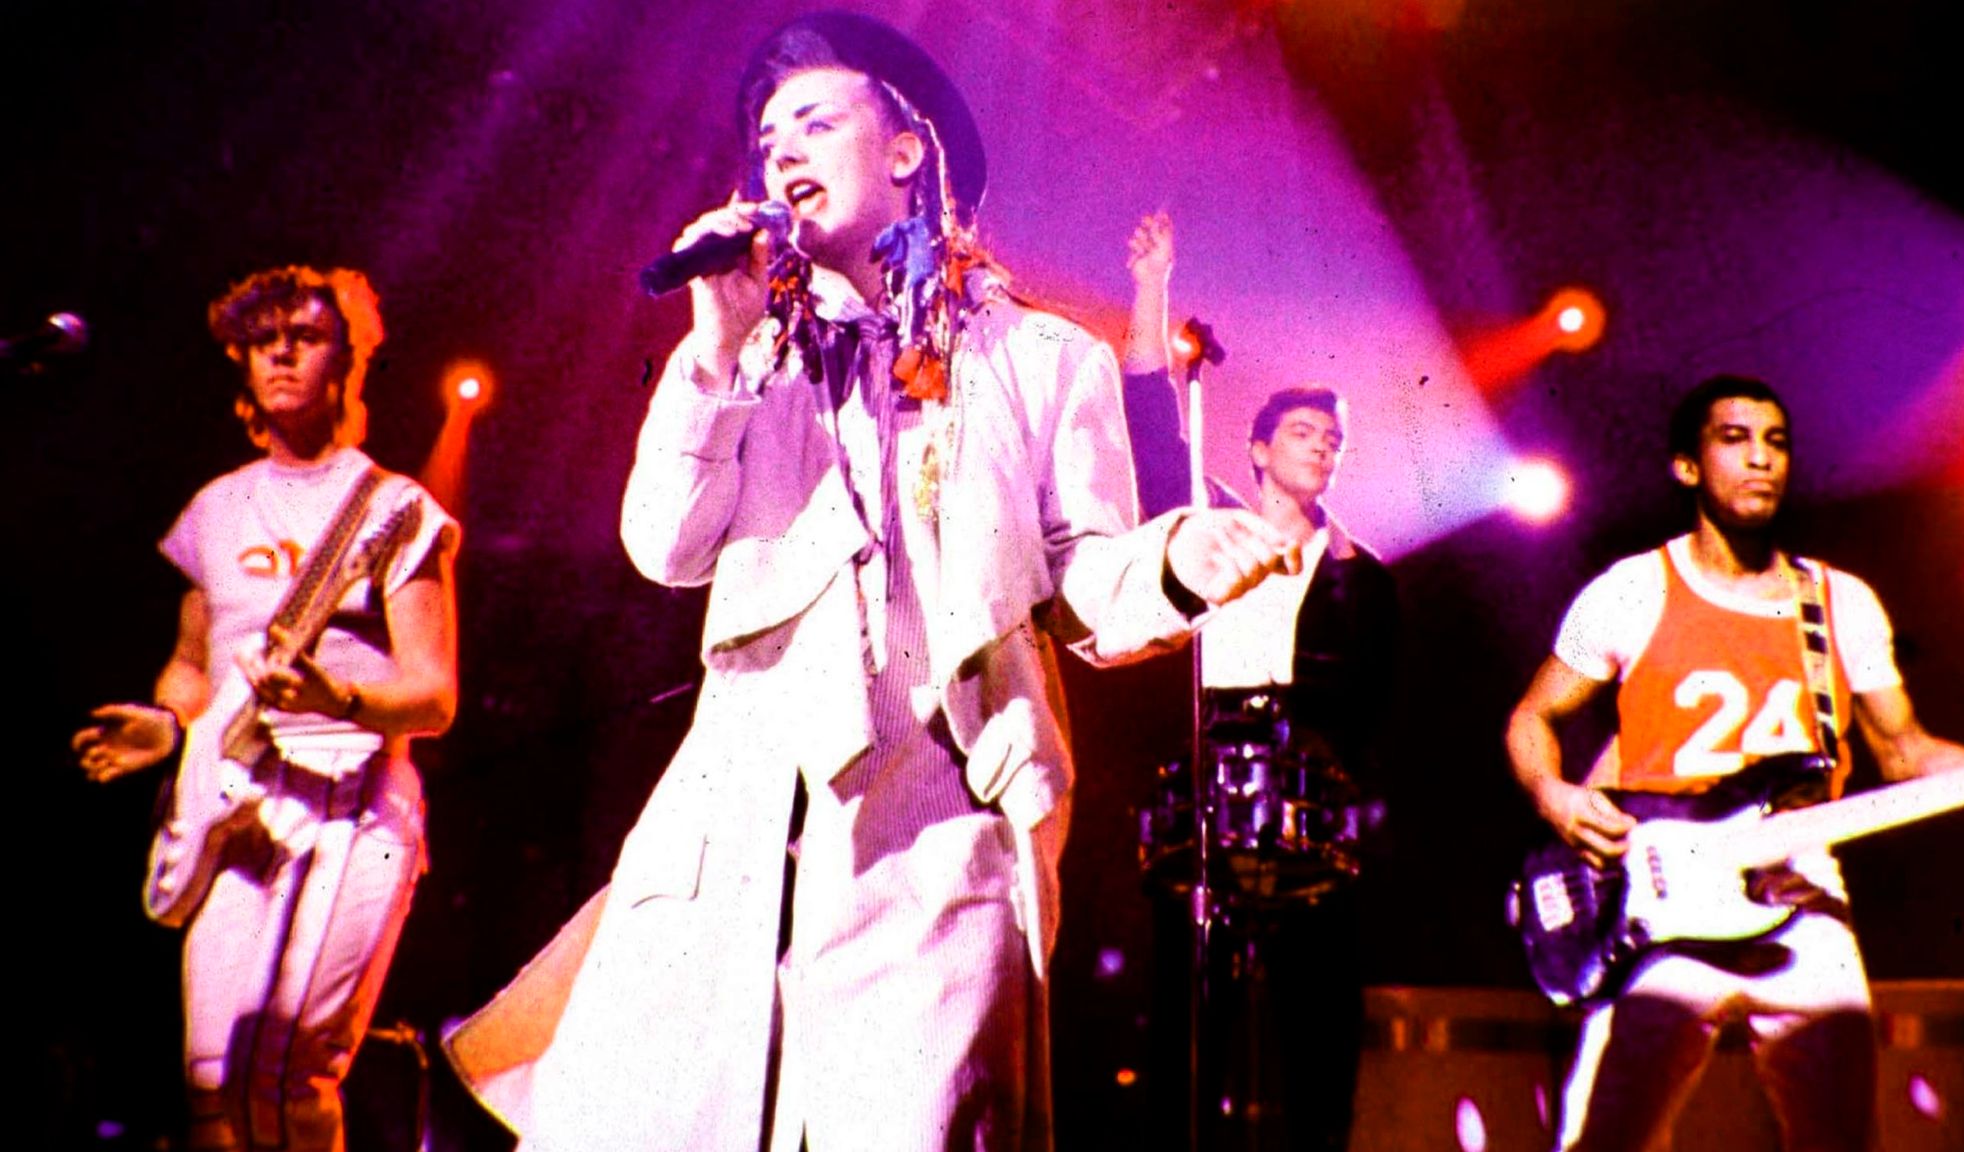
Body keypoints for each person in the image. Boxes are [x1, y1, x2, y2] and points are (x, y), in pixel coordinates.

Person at [443, 12, 1299, 1152]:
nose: (782, 151)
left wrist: (1174, 563)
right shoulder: (747, 364)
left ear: (905, 151)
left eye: (814, 120)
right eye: (766, 137)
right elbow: (664, 546)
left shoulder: (1042, 361)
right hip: (733, 841)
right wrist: (714, 344)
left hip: (934, 839)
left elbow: (1084, 576)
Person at [1503, 373, 1964, 1152]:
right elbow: (1533, 715)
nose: (1760, 459)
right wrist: (1552, 793)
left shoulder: (1842, 602)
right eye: (1733, 440)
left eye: (1775, 442)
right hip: (1660, 906)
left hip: (1803, 899)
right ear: (1687, 466)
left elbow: (1905, 750)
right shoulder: (1634, 589)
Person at [71, 265, 460, 1152]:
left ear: (347, 361)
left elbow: (435, 695)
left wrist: (341, 697)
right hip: (234, 805)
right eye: (261, 340)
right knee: (212, 1080)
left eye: (305, 336)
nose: (280, 353)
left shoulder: (397, 509)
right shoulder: (216, 508)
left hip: (351, 802)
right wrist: (166, 725)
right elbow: (189, 665)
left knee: (288, 1076)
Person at [1122, 210, 1400, 1151]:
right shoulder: (1214, 531)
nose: (1323, 446)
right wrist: (1153, 288)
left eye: (1334, 438)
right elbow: (1151, 425)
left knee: (1318, 1038)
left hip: (1311, 802)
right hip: (1208, 785)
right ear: (1257, 449)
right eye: (1305, 432)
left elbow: (1378, 713)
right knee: (1188, 1030)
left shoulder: (1364, 575)